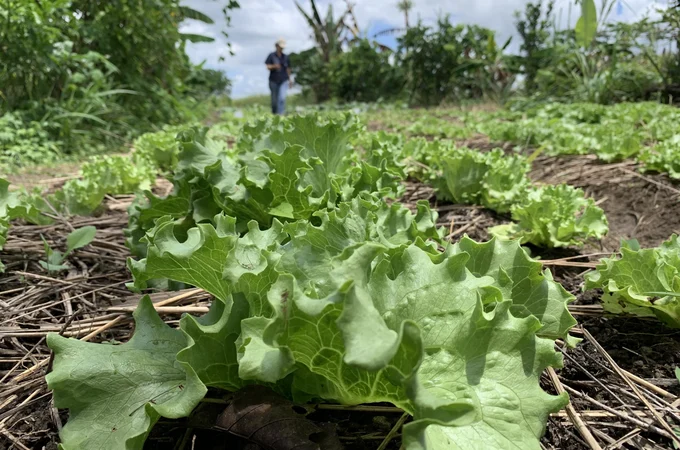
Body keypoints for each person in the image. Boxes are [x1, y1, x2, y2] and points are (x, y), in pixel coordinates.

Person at [265, 38, 293, 115]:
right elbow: (267, 66)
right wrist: (274, 66)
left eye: (282, 47)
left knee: (282, 98)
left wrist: (290, 80)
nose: (281, 49)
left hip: (283, 80)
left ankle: (280, 115)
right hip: (273, 80)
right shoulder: (271, 56)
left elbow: (288, 69)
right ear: (276, 46)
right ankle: (274, 114)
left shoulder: (286, 57)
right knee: (274, 100)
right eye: (280, 47)